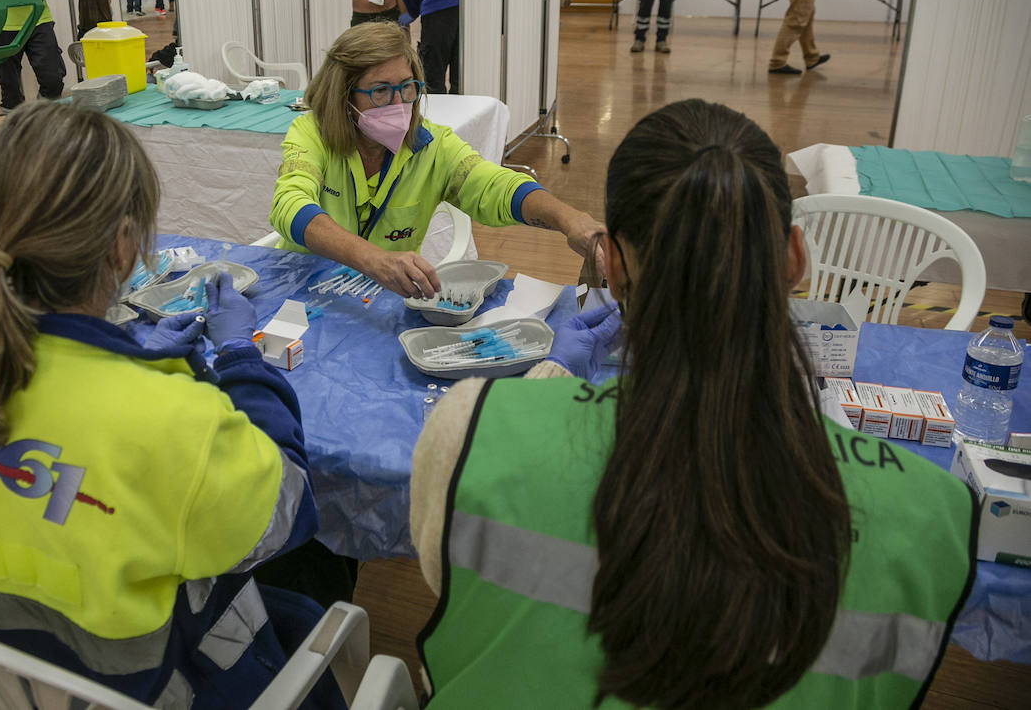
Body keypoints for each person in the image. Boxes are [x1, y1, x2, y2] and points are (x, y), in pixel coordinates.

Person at [410, 99, 978, 708]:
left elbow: (454, 590)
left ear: (616, 269)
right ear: (794, 260)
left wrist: (548, 378)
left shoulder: (470, 431)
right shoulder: (938, 517)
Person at [0, 102, 340, 709]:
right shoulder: (167, 417)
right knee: (312, 582)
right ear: (122, 247)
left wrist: (131, 353)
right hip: (159, 683)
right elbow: (288, 512)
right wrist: (243, 360)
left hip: (29, 671)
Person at [270, 23, 601, 299]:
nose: (399, 103)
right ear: (344, 96)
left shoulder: (431, 145)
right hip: (303, 291)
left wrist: (569, 219)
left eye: (407, 87)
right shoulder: (311, 133)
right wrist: (373, 260)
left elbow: (495, 186)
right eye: (380, 91)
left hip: (381, 299)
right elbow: (290, 205)